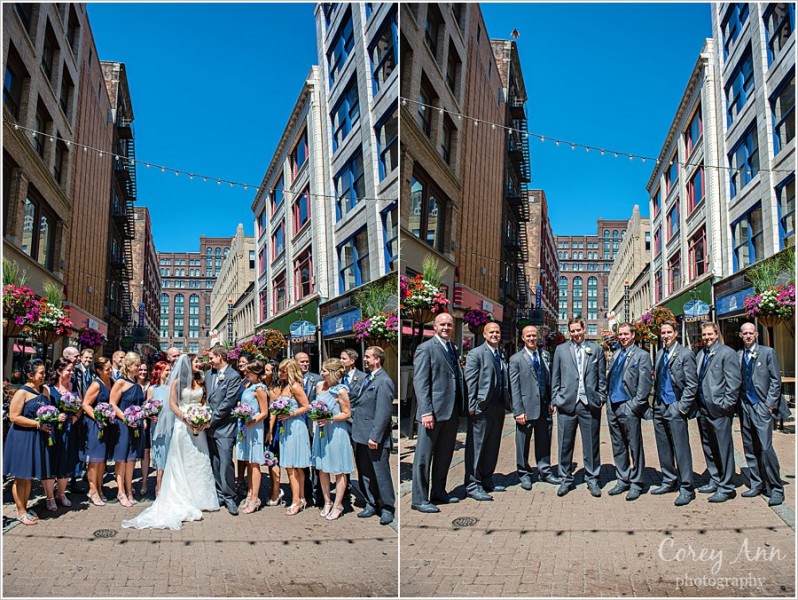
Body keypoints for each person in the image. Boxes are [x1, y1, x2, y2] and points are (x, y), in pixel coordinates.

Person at [122, 354, 220, 530]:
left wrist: (203, 418)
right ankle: (182, 496)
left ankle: (200, 497)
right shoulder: (176, 383)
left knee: (198, 460)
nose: (200, 364)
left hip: (199, 426)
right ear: (188, 365)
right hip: (183, 426)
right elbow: (173, 404)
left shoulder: (201, 381)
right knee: (181, 461)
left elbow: (204, 401)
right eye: (196, 361)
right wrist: (187, 419)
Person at [411, 312, 466, 513]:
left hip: (450, 412)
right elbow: (420, 382)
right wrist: (426, 411)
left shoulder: (452, 348)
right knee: (424, 457)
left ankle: (439, 492)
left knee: (444, 455)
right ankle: (419, 499)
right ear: (434, 326)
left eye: (449, 324)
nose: (446, 327)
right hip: (432, 413)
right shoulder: (425, 348)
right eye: (442, 324)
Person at [551, 317, 607, 498]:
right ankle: (565, 479)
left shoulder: (596, 350)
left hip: (589, 405)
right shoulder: (560, 350)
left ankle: (592, 478)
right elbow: (556, 377)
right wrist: (555, 399)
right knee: (564, 444)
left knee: (591, 445)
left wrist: (600, 398)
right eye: (572, 331)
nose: (575, 334)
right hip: (566, 404)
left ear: (584, 329)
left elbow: (601, 378)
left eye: (578, 330)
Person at [737, 322, 788, 506]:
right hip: (745, 406)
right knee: (750, 448)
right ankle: (757, 483)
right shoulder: (738, 355)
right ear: (741, 335)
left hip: (761, 406)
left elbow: (776, 380)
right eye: (745, 333)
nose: (748, 336)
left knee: (766, 448)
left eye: (751, 333)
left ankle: (776, 488)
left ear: (756, 334)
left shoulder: (768, 352)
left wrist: (769, 405)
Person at [652, 320, 698, 507]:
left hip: (675, 406)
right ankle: (668, 480)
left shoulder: (685, 354)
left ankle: (686, 487)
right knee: (664, 447)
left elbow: (692, 384)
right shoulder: (660, 353)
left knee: (681, 448)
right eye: (663, 333)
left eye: (669, 332)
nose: (666, 336)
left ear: (676, 333)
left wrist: (681, 407)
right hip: (660, 406)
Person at [509, 325, 560, 491]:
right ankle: (524, 474)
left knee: (544, 441)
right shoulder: (516, 359)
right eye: (528, 336)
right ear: (523, 338)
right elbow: (514, 387)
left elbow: (550, 380)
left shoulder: (545, 355)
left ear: (538, 337)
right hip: (526, 408)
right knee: (523, 443)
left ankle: (544, 470)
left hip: (545, 407)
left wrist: (553, 401)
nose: (532, 338)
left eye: (534, 335)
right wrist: (518, 411)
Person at [695, 321, 742, 503]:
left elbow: (733, 383)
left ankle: (727, 486)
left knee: (723, 448)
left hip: (719, 410)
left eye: (710, 334)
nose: (707, 338)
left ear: (717, 334)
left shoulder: (727, 353)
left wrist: (725, 405)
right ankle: (715, 479)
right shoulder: (701, 354)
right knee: (709, 447)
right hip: (703, 409)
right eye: (704, 335)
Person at [3, 360, 54, 525]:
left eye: (44, 372)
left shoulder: (43, 390)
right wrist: (37, 424)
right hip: (22, 437)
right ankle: (21, 511)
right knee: (20, 476)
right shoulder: (22, 392)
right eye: (41, 373)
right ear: (30, 375)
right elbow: (14, 417)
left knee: (29, 476)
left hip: (36, 437)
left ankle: (25, 507)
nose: (44, 376)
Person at [605, 322, 652, 502]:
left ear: (633, 335)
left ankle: (637, 482)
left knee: (634, 446)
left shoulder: (642, 355)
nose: (623, 337)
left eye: (626, 334)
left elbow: (644, 384)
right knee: (618, 446)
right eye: (620, 334)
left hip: (628, 406)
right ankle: (622, 479)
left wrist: (634, 405)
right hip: (613, 406)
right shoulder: (616, 354)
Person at [463, 322, 508, 502]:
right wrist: (472, 406)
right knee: (477, 447)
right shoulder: (476, 354)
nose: (495, 334)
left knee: (492, 446)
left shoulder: (499, 353)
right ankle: (473, 484)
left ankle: (487, 478)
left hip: (497, 407)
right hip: (481, 408)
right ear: (484, 334)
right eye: (492, 332)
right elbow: (471, 382)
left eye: (497, 332)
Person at [351, 347, 395, 525]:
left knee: (380, 473)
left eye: (368, 357)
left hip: (374, 437)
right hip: (360, 434)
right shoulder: (367, 378)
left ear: (377, 359)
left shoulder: (384, 381)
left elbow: (383, 413)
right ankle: (371, 502)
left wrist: (375, 437)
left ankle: (387, 507)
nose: (365, 359)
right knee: (365, 472)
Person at [310, 358, 354, 521]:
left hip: (336, 432)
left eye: (325, 370)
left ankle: (338, 504)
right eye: (322, 370)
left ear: (334, 373)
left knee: (339, 469)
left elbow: (347, 413)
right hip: (322, 431)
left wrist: (330, 418)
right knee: (322, 467)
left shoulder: (341, 391)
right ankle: (327, 501)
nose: (322, 373)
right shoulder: (319, 386)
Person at [206, 344, 243, 516]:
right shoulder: (209, 374)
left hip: (225, 426)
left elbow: (229, 401)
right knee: (215, 461)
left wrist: (211, 420)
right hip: (209, 427)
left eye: (211, 358)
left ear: (220, 357)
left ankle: (230, 496)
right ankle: (219, 493)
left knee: (226, 462)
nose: (209, 361)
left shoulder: (233, 376)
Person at [109, 352, 146, 507]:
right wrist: (126, 418)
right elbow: (112, 403)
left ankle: (130, 490)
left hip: (135, 425)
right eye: (137, 365)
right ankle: (121, 491)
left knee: (131, 459)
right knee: (122, 460)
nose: (139, 368)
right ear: (129, 366)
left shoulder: (137, 384)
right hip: (123, 425)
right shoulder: (120, 382)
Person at [276, 358, 312, 515]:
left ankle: (296, 500)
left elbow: (306, 406)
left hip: (295, 427)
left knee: (292, 466)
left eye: (283, 370)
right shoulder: (285, 387)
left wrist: (290, 413)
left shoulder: (295, 386)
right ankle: (301, 497)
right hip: (287, 427)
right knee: (295, 466)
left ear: (289, 371)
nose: (280, 373)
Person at [236, 360, 271, 514]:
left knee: (255, 463)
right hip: (246, 426)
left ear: (257, 373)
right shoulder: (249, 386)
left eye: (249, 372)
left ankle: (255, 498)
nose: (246, 374)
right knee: (249, 462)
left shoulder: (260, 389)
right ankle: (250, 494)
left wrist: (251, 421)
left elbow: (264, 412)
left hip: (254, 427)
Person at [46, 358, 82, 508]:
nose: (71, 373)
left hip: (69, 430)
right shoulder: (48, 389)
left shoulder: (73, 386)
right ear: (59, 371)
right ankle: (49, 497)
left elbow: (81, 405)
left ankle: (61, 493)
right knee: (52, 462)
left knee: (66, 462)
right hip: (54, 432)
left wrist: (75, 417)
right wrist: (55, 417)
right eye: (68, 370)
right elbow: (44, 410)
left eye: (72, 370)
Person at [82, 357, 115, 505]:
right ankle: (93, 489)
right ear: (99, 371)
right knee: (95, 459)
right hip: (96, 424)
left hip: (108, 424)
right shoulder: (96, 384)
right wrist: (98, 416)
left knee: (102, 459)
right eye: (107, 369)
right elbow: (86, 404)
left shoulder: (112, 382)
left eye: (111, 368)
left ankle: (100, 486)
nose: (110, 371)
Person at [296, 351, 321, 505]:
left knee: (315, 456)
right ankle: (305, 491)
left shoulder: (316, 379)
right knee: (302, 459)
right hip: (298, 425)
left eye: (307, 361)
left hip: (311, 423)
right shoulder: (293, 380)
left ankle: (318, 491)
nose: (305, 364)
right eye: (302, 362)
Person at [147, 361, 171, 497]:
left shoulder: (172, 387)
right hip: (158, 426)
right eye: (166, 370)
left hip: (170, 424)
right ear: (159, 371)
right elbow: (148, 408)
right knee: (160, 454)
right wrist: (151, 415)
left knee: (170, 454)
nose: (168, 373)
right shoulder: (152, 389)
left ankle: (169, 486)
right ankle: (159, 485)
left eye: (169, 370)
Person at [263, 362, 284, 506]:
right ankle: (274, 489)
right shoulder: (267, 386)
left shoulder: (274, 390)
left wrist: (270, 431)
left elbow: (274, 413)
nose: (264, 373)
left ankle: (276, 491)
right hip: (268, 425)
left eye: (267, 370)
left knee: (273, 459)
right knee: (270, 460)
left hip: (274, 427)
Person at [235, 352, 255, 496]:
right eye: (239, 362)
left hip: (250, 420)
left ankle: (249, 484)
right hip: (239, 418)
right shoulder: (239, 379)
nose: (241, 364)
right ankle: (240, 480)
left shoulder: (251, 381)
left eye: (243, 362)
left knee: (249, 452)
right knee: (241, 451)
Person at [136, 362, 152, 497]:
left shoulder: (150, 385)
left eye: (145, 369)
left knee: (146, 452)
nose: (142, 372)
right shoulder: (132, 384)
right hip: (134, 421)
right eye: (140, 369)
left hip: (148, 423)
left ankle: (144, 482)